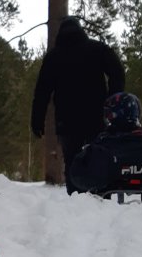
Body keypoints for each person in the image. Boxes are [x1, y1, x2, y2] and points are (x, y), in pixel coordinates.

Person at [31, 16, 125, 193]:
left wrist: (37, 119)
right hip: (96, 115)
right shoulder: (97, 49)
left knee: (72, 159)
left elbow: (42, 91)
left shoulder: (54, 57)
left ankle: (75, 197)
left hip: (67, 119)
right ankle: (101, 194)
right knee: (99, 155)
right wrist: (113, 99)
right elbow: (117, 72)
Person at [70, 92, 142, 203]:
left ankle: (102, 205)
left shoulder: (105, 139)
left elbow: (79, 173)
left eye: (109, 114)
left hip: (110, 182)